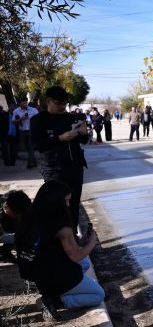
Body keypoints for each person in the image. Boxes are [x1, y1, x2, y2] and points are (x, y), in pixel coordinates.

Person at [16, 180, 105, 321]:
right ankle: (57, 299)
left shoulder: (31, 216)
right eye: (66, 201)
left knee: (85, 265)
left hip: (35, 275)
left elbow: (50, 246)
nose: (68, 205)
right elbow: (76, 256)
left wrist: (80, 242)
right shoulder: (61, 225)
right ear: (55, 201)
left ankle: (55, 292)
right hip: (53, 277)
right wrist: (93, 242)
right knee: (98, 295)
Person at [30, 86, 89, 228]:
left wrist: (83, 132)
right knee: (57, 205)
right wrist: (60, 138)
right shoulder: (38, 120)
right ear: (48, 101)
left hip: (75, 167)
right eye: (58, 104)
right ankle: (59, 240)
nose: (62, 107)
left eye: (65, 104)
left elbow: (83, 141)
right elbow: (37, 144)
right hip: (54, 170)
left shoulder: (70, 117)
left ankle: (73, 236)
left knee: (74, 204)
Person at [1, 190, 31, 261]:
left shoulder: (22, 206)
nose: (19, 217)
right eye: (16, 214)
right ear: (5, 207)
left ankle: (5, 253)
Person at [12, 98, 38, 168]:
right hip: (22, 131)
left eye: (26, 103)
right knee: (27, 147)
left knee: (30, 146)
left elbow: (39, 119)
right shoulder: (16, 111)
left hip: (31, 130)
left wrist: (33, 119)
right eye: (23, 103)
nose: (25, 104)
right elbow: (14, 121)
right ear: (20, 103)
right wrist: (22, 119)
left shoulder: (33, 110)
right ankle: (34, 161)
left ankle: (30, 163)